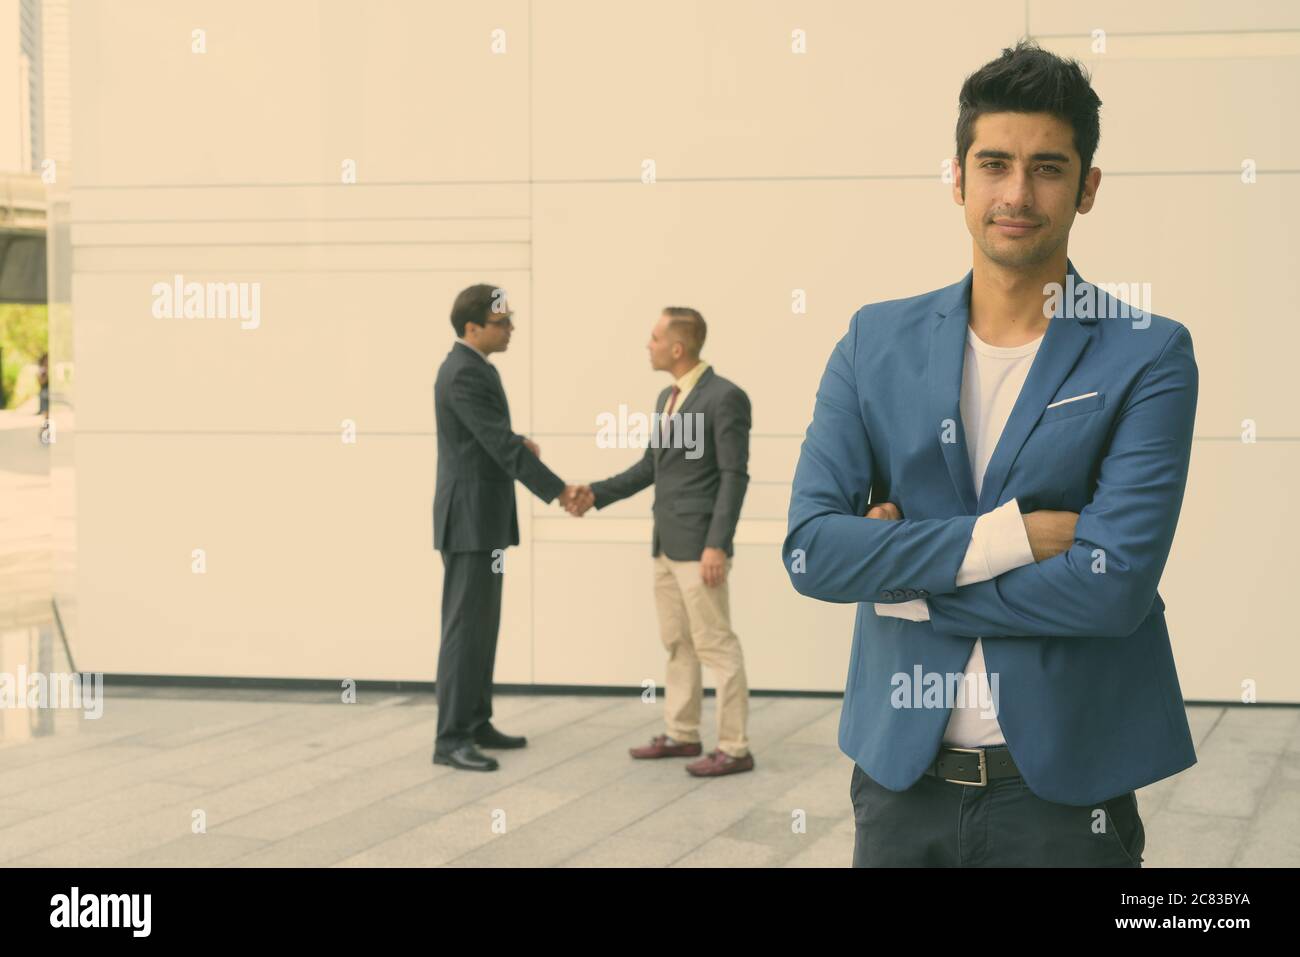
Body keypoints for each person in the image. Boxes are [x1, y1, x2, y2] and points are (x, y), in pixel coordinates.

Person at [783, 40, 1197, 866]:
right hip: (901, 787)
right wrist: (1009, 540)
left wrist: (900, 583)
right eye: (995, 163)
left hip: (1066, 796)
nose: (1017, 193)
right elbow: (812, 550)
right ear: (958, 177)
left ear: (1088, 188)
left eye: (1047, 167)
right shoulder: (876, 341)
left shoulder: (1148, 354)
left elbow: (1110, 591)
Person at [568, 308, 755, 777]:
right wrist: (594, 495)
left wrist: (718, 544)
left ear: (677, 347)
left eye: (653, 338)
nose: (646, 345)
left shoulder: (725, 398)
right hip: (666, 543)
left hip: (699, 547)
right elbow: (651, 467)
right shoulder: (666, 398)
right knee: (678, 643)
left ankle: (734, 747)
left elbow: (734, 475)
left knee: (716, 644)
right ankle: (682, 734)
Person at [432, 284, 587, 772]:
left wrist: (518, 441)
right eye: (502, 322)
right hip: (470, 521)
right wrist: (561, 490)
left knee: (482, 626)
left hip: (485, 520)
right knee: (464, 629)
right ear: (472, 327)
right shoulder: (463, 373)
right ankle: (450, 738)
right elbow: (497, 443)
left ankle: (476, 721)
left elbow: (488, 439)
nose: (511, 328)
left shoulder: (477, 369)